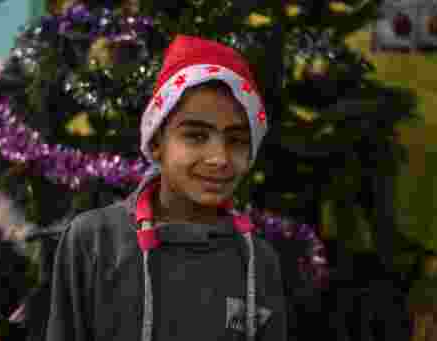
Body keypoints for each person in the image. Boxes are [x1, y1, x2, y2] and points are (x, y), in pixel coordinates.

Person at [40, 36, 286, 341]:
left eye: (236, 140)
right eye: (196, 136)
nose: (219, 158)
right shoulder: (94, 241)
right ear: (157, 143)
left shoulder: (259, 262)